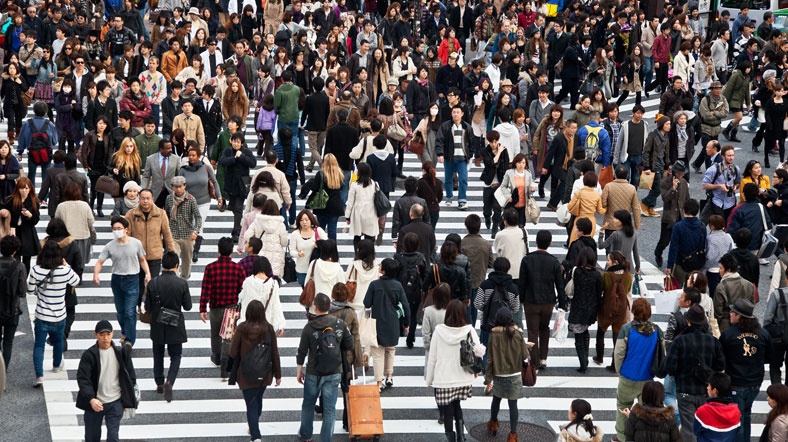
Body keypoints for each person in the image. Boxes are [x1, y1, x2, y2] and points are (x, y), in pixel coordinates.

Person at [662, 304, 726, 442]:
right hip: (706, 390)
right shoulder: (713, 342)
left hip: (685, 390)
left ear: (688, 322)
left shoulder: (679, 341)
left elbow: (671, 368)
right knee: (706, 426)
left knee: (688, 428)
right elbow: (721, 365)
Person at [297, 292, 353, 442]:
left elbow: (301, 352)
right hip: (334, 370)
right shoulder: (339, 324)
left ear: (315, 308)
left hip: (313, 371)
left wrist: (299, 371)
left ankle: (306, 435)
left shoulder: (309, 327)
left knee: (308, 404)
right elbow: (350, 345)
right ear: (329, 306)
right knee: (329, 409)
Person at [426, 299, 481, 441]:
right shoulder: (469, 330)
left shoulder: (439, 331)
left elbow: (432, 357)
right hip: (462, 377)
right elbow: (479, 351)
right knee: (457, 404)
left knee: (448, 408)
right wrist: (476, 370)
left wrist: (429, 379)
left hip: (444, 377)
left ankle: (451, 437)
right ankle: (461, 436)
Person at [29, 239, 81, 386]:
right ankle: (56, 365)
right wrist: (67, 265)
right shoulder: (64, 270)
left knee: (39, 345)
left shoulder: (36, 269)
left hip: (41, 314)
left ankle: (39, 375)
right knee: (58, 341)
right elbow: (76, 281)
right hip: (59, 314)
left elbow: (30, 290)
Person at [229, 299, 282, 442]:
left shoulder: (242, 328)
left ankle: (256, 435)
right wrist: (278, 374)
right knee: (258, 399)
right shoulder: (268, 328)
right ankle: (254, 425)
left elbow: (233, 352)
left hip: (245, 373)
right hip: (264, 373)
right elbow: (274, 353)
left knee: (250, 403)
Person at [75, 320, 137, 442]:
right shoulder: (89, 355)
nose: (105, 338)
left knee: (113, 437)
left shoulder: (121, 352)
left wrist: (127, 400)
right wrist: (91, 399)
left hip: (115, 402)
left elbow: (130, 376)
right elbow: (83, 379)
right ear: (96, 335)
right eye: (102, 335)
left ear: (113, 334)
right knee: (92, 437)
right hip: (95, 403)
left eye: (108, 334)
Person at [612, 298, 663, 441]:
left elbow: (619, 353)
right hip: (647, 378)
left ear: (633, 311)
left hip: (628, 376)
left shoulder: (627, 329)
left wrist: (619, 371)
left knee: (623, 406)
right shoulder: (656, 330)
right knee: (645, 411)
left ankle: (622, 437)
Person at [143, 251, 191, 402]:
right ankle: (170, 381)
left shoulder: (153, 283)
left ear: (163, 265)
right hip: (174, 323)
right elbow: (188, 306)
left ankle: (159, 382)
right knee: (176, 355)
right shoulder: (182, 283)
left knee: (158, 354)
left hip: (157, 323)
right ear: (177, 266)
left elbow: (148, 307)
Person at [199, 237, 246, 379]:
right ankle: (226, 365)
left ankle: (217, 356)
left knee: (215, 333)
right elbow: (241, 290)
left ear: (218, 250)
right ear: (231, 251)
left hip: (215, 307)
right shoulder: (238, 269)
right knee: (228, 336)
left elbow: (205, 289)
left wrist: (202, 308)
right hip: (232, 307)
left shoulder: (210, 268)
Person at [483, 307, 531, 442]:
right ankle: (513, 435)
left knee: (496, 400)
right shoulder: (517, 333)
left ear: (497, 319)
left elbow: (490, 358)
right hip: (514, 374)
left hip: (499, 374)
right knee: (513, 405)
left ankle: (493, 424)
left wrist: (488, 379)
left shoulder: (494, 334)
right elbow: (524, 356)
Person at [364, 258, 410, 391]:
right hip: (393, 323)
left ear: (383, 270)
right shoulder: (398, 286)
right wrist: (406, 322)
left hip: (377, 323)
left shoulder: (374, 285)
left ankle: (379, 382)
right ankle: (389, 375)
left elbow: (367, 303)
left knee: (378, 353)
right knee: (390, 350)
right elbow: (405, 305)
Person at [568, 246, 603, 373]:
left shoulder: (576, 272)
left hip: (577, 308)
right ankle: (585, 356)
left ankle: (583, 362)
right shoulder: (597, 275)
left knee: (578, 336)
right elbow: (599, 293)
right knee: (585, 330)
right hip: (591, 309)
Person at [220, 133, 256, 243]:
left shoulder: (246, 151)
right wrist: (234, 158)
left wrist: (242, 157)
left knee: (238, 208)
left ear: (242, 143)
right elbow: (222, 162)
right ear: (231, 141)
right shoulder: (227, 151)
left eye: (238, 142)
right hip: (231, 183)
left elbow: (253, 163)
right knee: (233, 207)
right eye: (234, 141)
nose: (236, 144)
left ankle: (236, 232)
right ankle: (238, 226)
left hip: (243, 183)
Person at [435, 105, 472, 210]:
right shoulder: (445, 126)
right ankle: (449, 196)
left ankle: (462, 199)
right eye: (454, 112)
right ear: (451, 114)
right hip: (449, 156)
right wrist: (440, 154)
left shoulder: (467, 127)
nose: (456, 114)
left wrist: (470, 154)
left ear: (462, 114)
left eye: (458, 112)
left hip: (462, 158)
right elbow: (439, 140)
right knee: (448, 179)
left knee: (463, 179)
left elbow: (472, 142)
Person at [299, 153, 344, 240]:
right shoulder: (339, 174)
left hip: (321, 205)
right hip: (335, 205)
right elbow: (341, 187)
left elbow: (315, 188)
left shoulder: (320, 174)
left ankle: (320, 248)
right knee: (332, 230)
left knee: (320, 229)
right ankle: (332, 249)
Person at [164, 176, 201, 279]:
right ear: (172, 187)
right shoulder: (169, 199)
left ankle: (184, 280)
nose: (178, 189)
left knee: (187, 261)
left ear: (184, 186)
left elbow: (198, 216)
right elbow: (166, 214)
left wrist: (196, 231)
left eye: (180, 186)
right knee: (173, 259)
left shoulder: (190, 199)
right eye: (176, 187)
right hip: (173, 234)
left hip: (187, 234)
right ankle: (174, 280)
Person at [2, 177, 41, 273]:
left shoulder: (34, 201)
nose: (24, 191)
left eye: (27, 188)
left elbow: (35, 220)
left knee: (27, 260)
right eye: (22, 188)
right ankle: (16, 278)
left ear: (30, 189)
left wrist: (30, 215)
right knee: (15, 258)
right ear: (18, 188)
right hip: (14, 232)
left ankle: (23, 279)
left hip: (28, 233)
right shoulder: (10, 200)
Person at [655, 161, 690, 268]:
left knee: (680, 241)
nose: (682, 175)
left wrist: (687, 212)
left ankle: (676, 260)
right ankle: (658, 252)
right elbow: (665, 198)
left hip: (681, 216)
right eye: (680, 173)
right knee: (665, 241)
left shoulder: (684, 182)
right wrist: (673, 189)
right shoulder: (665, 182)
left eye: (683, 173)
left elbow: (687, 198)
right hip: (669, 217)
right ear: (675, 172)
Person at [0, 236, 26, 370]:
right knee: (8, 342)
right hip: (12, 309)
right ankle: (3, 373)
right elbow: (22, 291)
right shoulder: (19, 266)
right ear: (15, 250)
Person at [244, 199, 288, 277]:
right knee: (273, 285)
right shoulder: (280, 224)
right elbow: (284, 243)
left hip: (260, 257)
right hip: (276, 258)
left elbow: (247, 236)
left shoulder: (257, 222)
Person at [667, 199, 707, 286]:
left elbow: (673, 247)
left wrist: (669, 266)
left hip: (680, 263)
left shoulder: (678, 226)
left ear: (684, 209)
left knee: (676, 290)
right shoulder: (702, 226)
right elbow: (703, 245)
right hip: (696, 263)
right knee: (692, 290)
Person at [693, 373, 742, 441]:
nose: (707, 388)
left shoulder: (702, 411)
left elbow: (696, 431)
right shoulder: (736, 411)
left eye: (709, 385)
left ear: (715, 391)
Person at [715, 254, 756, 332]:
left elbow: (718, 312)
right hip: (745, 323)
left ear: (728, 270)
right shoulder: (749, 285)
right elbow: (751, 304)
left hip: (726, 324)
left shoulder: (721, 287)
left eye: (721, 268)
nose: (719, 271)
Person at [640, 116, 671, 218]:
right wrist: (647, 166)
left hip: (662, 165)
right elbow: (646, 152)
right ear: (661, 125)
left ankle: (650, 208)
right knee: (657, 189)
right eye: (667, 124)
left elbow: (666, 153)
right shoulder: (653, 136)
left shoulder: (666, 136)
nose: (669, 126)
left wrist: (667, 165)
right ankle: (644, 203)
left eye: (669, 124)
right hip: (654, 166)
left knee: (655, 188)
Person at [288, 210, 326, 287]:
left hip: (317, 268)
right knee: (306, 291)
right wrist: (298, 254)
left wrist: (319, 244)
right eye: (301, 220)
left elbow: (328, 245)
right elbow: (291, 250)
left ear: (311, 220)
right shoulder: (295, 234)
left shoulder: (318, 231)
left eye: (306, 220)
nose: (304, 222)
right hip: (302, 268)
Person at [140, 138, 180, 208]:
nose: (170, 150)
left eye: (171, 148)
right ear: (161, 149)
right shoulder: (150, 159)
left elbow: (179, 175)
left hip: (171, 191)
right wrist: (143, 189)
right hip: (156, 192)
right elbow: (146, 176)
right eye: (167, 148)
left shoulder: (176, 159)